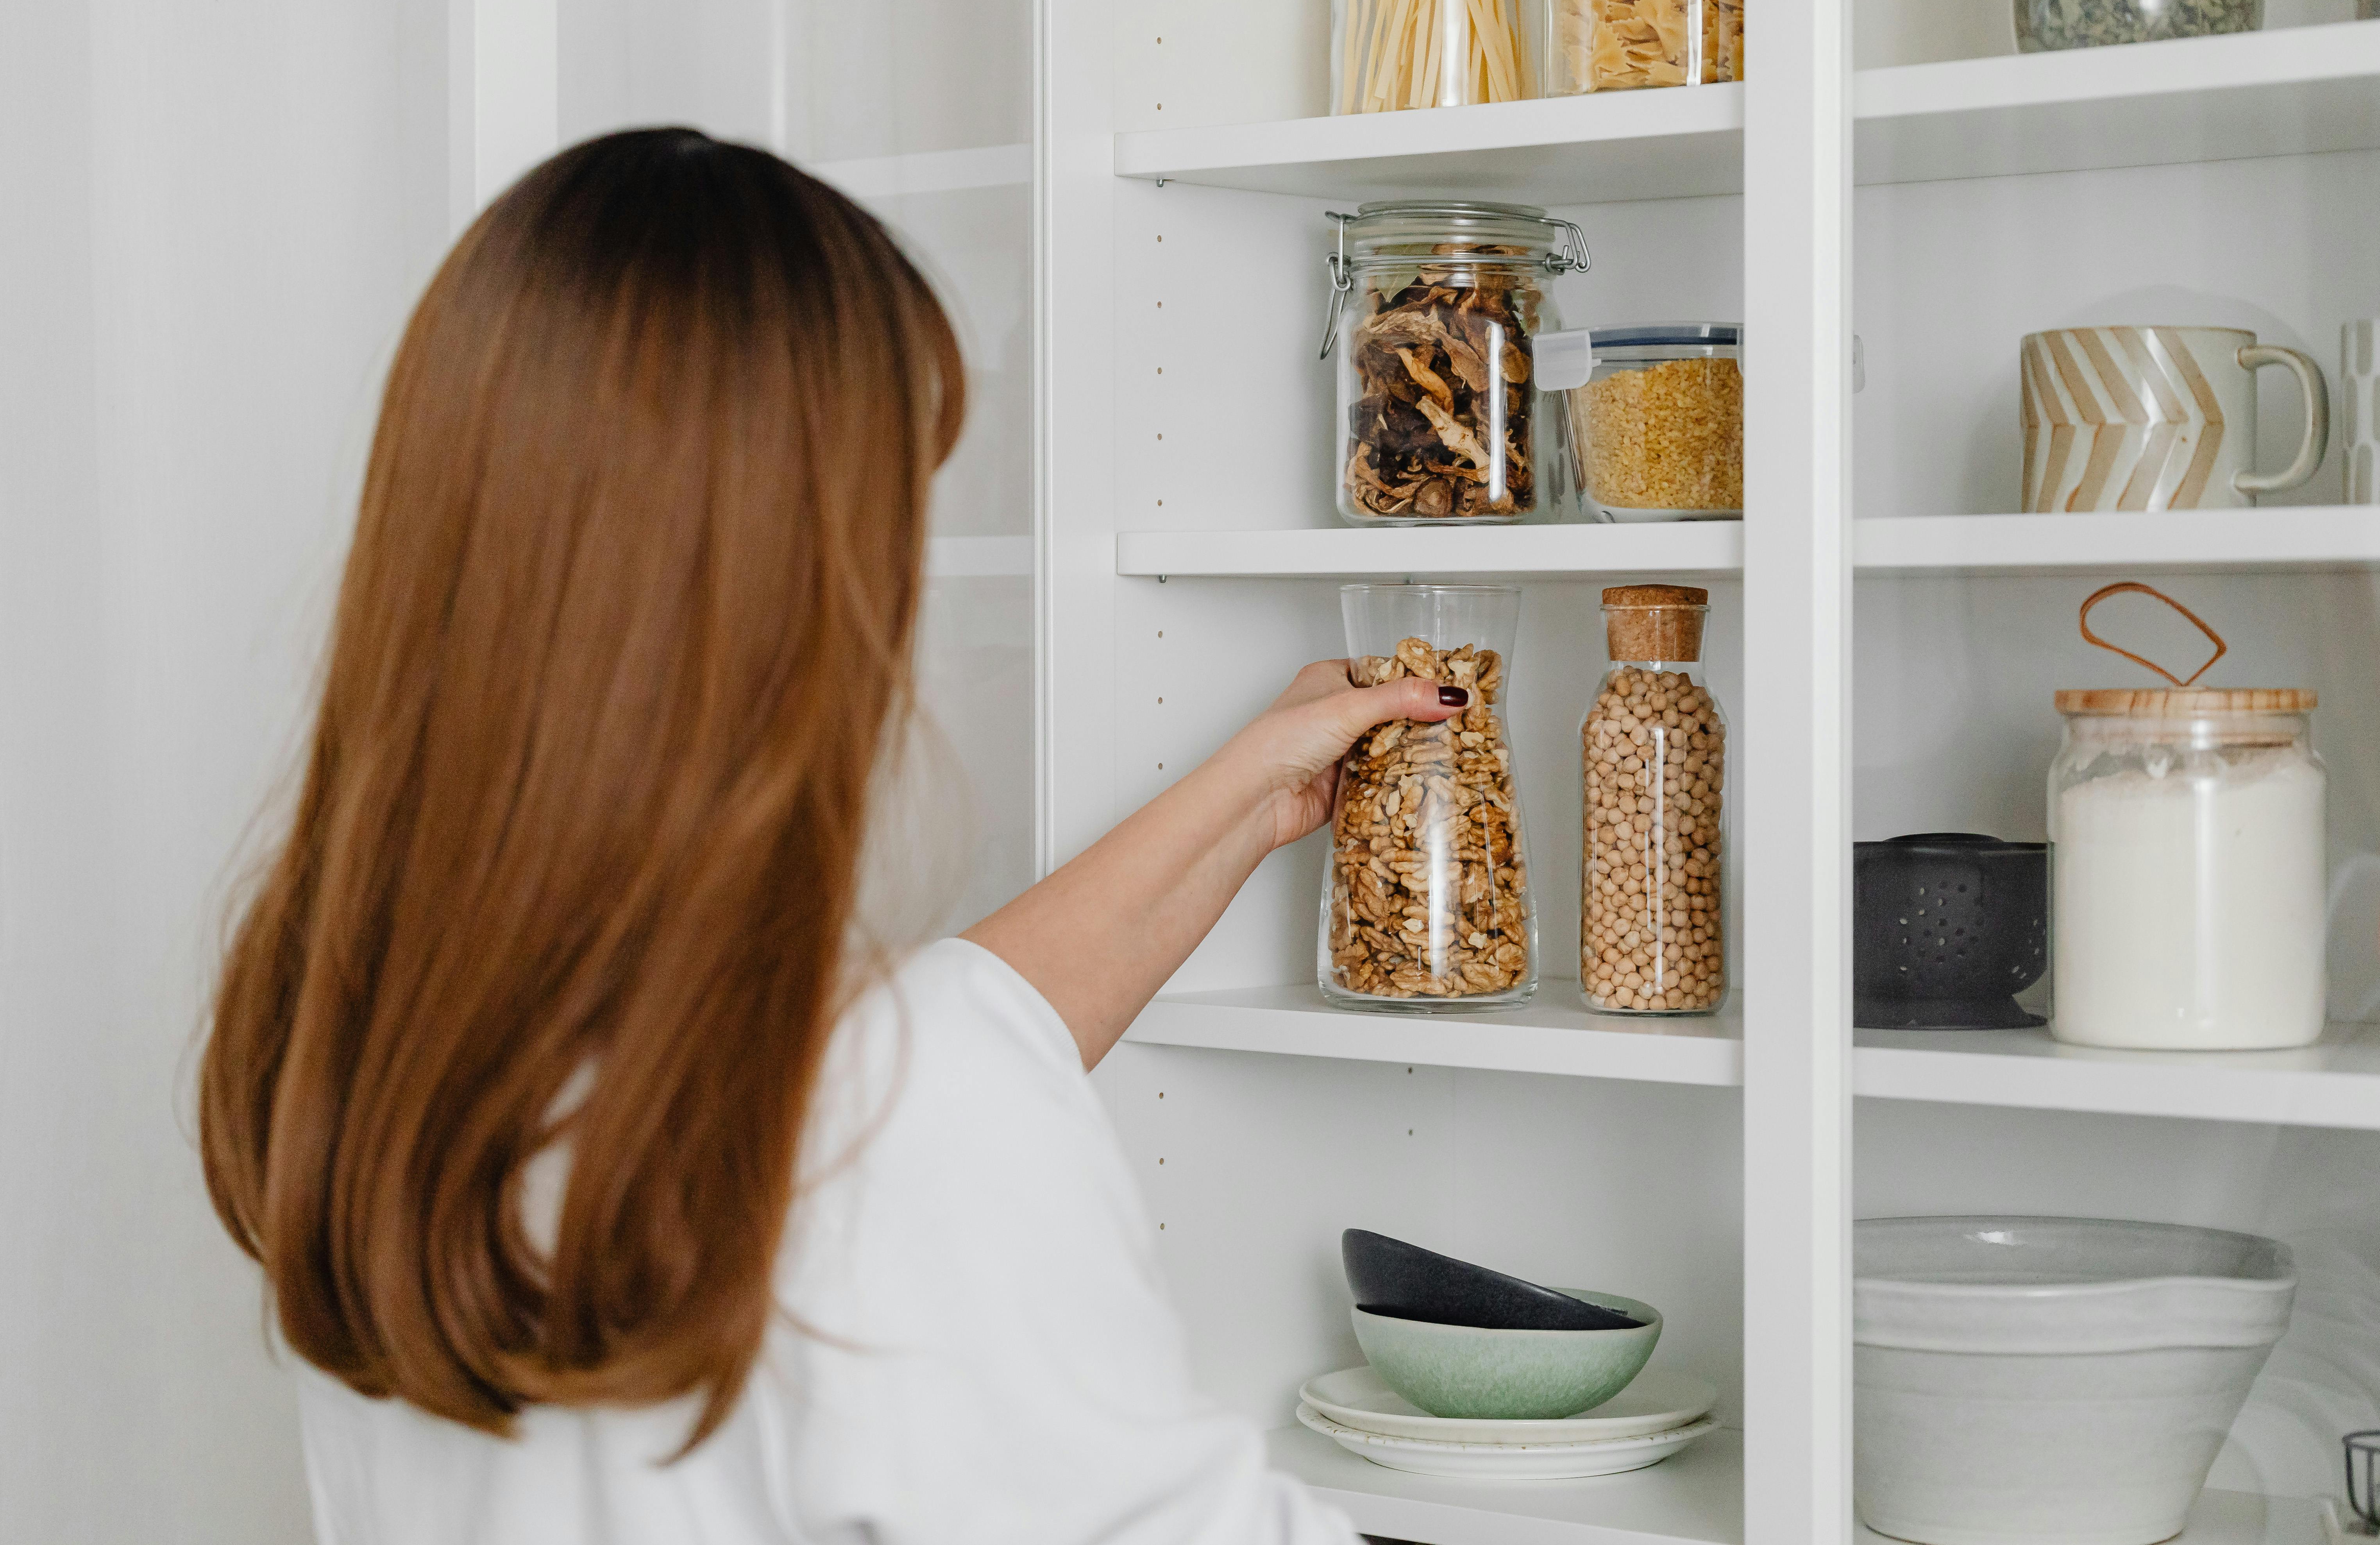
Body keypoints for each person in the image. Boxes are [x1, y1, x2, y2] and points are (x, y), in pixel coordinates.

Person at [197, 130, 1466, 1544]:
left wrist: (1247, 794)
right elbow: (901, 1097)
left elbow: (909, 1043)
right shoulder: (907, 1121)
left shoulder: (375, 1060)